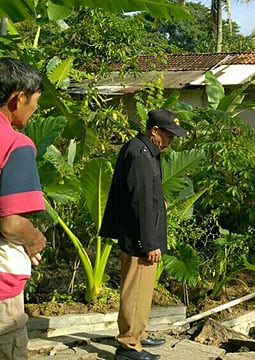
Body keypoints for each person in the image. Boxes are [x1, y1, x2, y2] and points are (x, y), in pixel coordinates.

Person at [100, 109, 186, 360]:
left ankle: (138, 333)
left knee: (143, 289)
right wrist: (150, 243)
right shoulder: (140, 155)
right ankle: (128, 345)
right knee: (136, 289)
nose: (171, 141)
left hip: (142, 232)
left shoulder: (146, 151)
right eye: (169, 135)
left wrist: (161, 202)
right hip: (140, 236)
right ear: (154, 131)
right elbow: (139, 203)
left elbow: (146, 193)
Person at [0, 58, 47, 360]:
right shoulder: (16, 144)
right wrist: (34, 239)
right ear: (18, 98)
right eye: (35, 102)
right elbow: (11, 222)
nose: (35, 110)